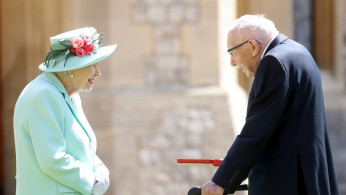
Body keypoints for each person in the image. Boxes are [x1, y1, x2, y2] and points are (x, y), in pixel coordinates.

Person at [202, 14, 340, 195]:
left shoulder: (273, 62)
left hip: (288, 183)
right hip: (308, 178)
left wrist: (219, 182)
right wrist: (237, 164)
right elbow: (279, 130)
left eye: (233, 52)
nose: (232, 61)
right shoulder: (298, 51)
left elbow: (256, 132)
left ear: (252, 46)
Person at [13, 27, 117, 195]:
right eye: (92, 65)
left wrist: (99, 169)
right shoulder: (44, 95)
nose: (98, 73)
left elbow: (81, 149)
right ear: (70, 69)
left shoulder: (70, 95)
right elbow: (52, 159)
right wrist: (91, 180)